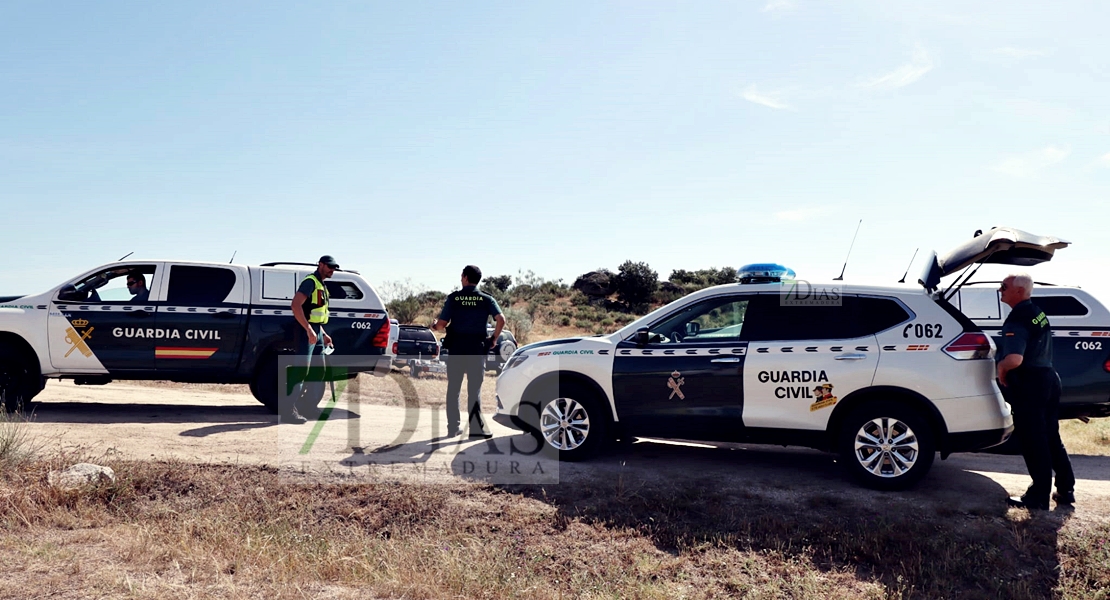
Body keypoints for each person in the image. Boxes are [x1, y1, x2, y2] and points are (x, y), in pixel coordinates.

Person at [998, 273, 1076, 510]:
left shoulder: (1017, 319)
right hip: (1049, 379)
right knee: (1051, 436)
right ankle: (1066, 489)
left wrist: (1001, 370)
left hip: (1031, 384)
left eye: (1004, 287)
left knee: (1034, 440)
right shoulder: (1036, 312)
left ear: (1019, 291)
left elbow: (1014, 359)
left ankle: (1038, 496)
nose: (1000, 290)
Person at [431, 265, 505, 438]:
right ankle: (476, 429)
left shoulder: (454, 298)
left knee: (454, 389)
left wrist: (434, 325)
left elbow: (441, 325)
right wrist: (494, 338)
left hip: (457, 348)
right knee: (474, 390)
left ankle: (453, 428)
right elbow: (501, 319)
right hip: (476, 349)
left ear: (464, 277)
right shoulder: (486, 299)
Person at [284, 256, 339, 424]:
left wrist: (322, 333)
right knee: (300, 372)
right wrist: (308, 330)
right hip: (305, 332)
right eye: (329, 266)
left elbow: (315, 313)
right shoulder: (310, 282)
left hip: (316, 331)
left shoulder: (321, 285)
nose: (332, 270)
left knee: (318, 371)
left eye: (334, 268)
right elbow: (295, 305)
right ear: (320, 264)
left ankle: (309, 407)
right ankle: (287, 411)